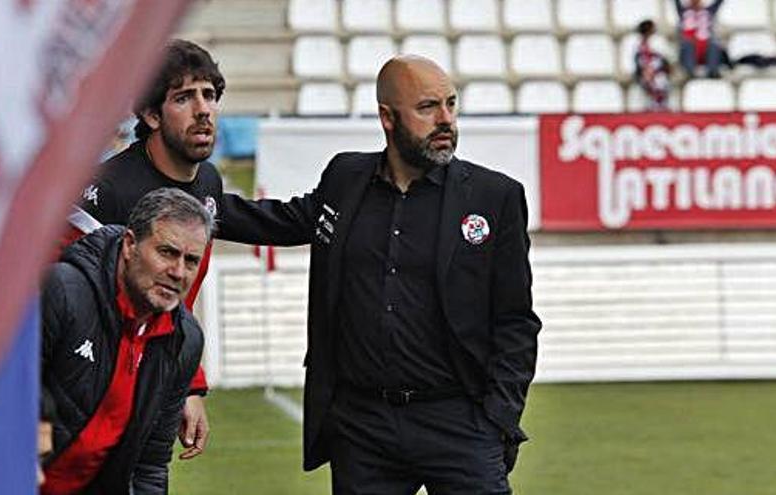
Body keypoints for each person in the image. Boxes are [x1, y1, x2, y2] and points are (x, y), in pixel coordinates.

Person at [216, 55, 542, 494]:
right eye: (428, 108)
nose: (445, 119)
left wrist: (499, 418)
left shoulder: (495, 196)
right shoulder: (345, 178)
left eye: (451, 104)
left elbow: (516, 321)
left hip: (459, 421)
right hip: (363, 429)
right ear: (387, 118)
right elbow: (284, 220)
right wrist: (196, 204)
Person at [76, 39, 226, 459]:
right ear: (150, 115)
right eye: (184, 97)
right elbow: (62, 302)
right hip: (91, 398)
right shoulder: (104, 191)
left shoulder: (209, 184)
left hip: (157, 391)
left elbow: (179, 302)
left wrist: (189, 384)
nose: (203, 110)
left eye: (209, 95)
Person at [40, 188, 210, 494]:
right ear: (130, 245)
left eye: (191, 261)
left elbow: (150, 464)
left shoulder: (185, 342)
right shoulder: (61, 292)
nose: (178, 272)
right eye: (167, 252)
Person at [674, 0, 726, 78]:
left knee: (714, 46)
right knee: (687, 45)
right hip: (690, 47)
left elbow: (718, 2)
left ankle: (712, 72)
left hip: (706, 46)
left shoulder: (708, 12)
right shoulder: (684, 12)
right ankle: (690, 73)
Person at [634, 19, 671, 111]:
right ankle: (652, 107)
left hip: (659, 72)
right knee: (647, 84)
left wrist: (653, 70)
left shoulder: (658, 42)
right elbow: (638, 61)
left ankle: (661, 106)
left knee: (660, 82)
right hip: (644, 74)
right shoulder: (637, 44)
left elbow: (664, 60)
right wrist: (644, 71)